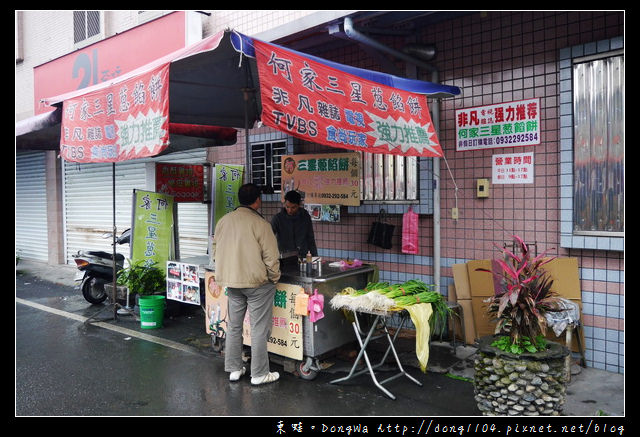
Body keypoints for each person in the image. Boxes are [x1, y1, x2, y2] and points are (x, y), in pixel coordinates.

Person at [212, 183, 281, 385]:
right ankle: (259, 374)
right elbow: (271, 257)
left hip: (232, 283)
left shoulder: (223, 221)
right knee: (259, 328)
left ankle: (234, 369)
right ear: (257, 200)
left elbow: (215, 250)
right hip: (257, 283)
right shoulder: (261, 224)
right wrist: (274, 277)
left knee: (234, 326)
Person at [271, 190, 318, 258]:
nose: (290, 210)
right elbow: (268, 237)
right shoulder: (277, 219)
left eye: (293, 207)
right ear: (284, 204)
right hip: (284, 256)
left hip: (302, 256)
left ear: (299, 205)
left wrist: (315, 257)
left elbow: (310, 238)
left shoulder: (305, 216)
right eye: (287, 207)